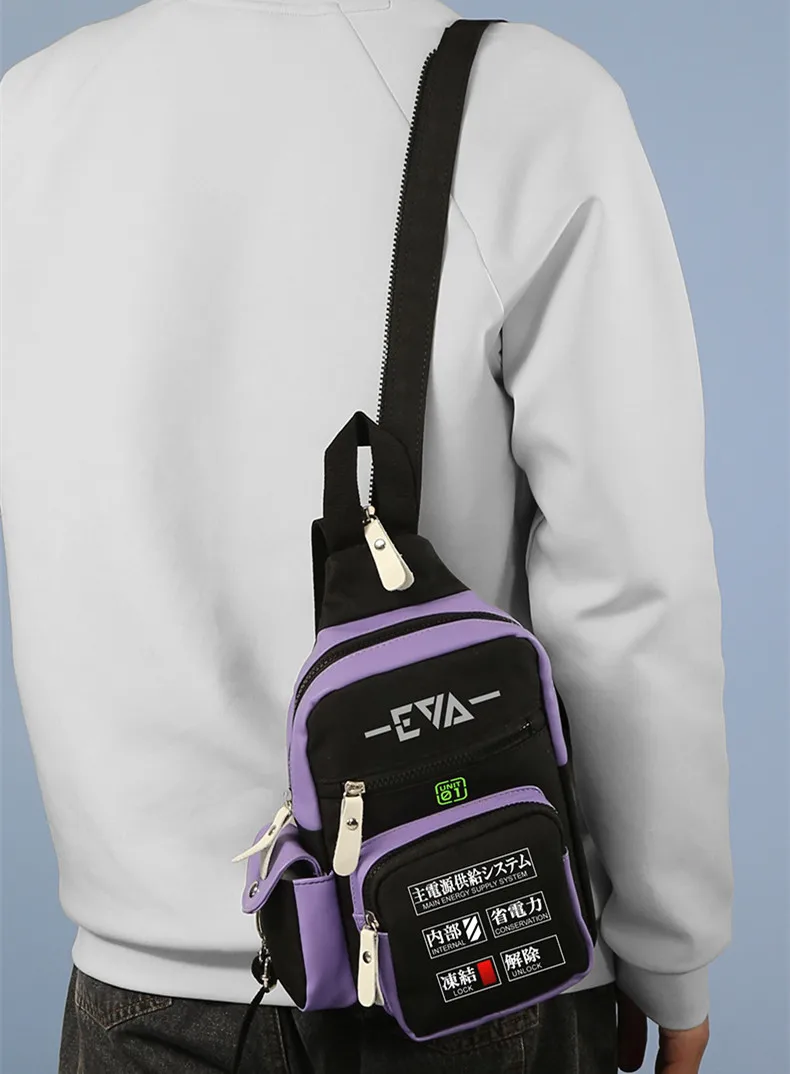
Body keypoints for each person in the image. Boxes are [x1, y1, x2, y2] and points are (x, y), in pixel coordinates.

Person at [0, 0, 733, 1071]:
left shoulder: (28, 115)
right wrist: (670, 945)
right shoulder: (525, 103)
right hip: (464, 951)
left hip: (132, 985)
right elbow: (630, 590)